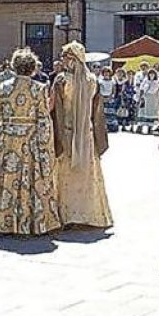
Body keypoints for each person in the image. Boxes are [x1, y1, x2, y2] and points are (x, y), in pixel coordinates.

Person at [0, 48, 61, 236]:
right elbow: (43, 120)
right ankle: (28, 223)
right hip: (29, 141)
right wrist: (45, 148)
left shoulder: (4, 87)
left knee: (4, 180)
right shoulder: (39, 88)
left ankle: (1, 222)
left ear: (14, 67)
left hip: (6, 139)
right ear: (33, 68)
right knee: (28, 180)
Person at [51, 42, 113, 230]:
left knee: (66, 175)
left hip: (68, 134)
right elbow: (98, 112)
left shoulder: (61, 80)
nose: (62, 61)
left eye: (65, 57)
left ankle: (67, 215)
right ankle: (88, 215)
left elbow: (55, 110)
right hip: (87, 135)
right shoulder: (92, 80)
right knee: (86, 176)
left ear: (72, 59)